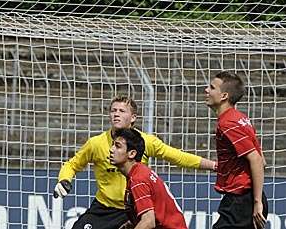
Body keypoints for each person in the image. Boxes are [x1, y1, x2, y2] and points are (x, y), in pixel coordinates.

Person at [53, 95, 216, 229]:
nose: (116, 114)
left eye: (122, 111)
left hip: (133, 207)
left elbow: (178, 157)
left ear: (133, 118)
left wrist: (214, 165)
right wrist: (64, 179)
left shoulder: (144, 143)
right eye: (113, 110)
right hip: (105, 207)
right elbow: (72, 164)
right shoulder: (96, 143)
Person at [205, 71, 268, 229]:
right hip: (245, 198)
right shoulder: (241, 118)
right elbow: (262, 160)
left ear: (224, 96)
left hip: (242, 201)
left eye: (212, 87)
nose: (206, 90)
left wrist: (257, 202)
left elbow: (256, 159)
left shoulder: (228, 123)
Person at [109, 128, 188, 229]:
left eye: (117, 146)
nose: (111, 149)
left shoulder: (138, 179)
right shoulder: (140, 172)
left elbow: (148, 222)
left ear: (132, 154)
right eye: (112, 145)